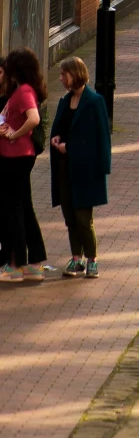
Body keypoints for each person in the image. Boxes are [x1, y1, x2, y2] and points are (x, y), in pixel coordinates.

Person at [48, 56, 110, 279]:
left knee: (84, 218)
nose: (61, 78)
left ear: (76, 74)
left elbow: (100, 139)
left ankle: (92, 259)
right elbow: (60, 128)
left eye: (64, 74)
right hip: (65, 169)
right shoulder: (65, 102)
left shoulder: (94, 102)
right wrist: (56, 139)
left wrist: (70, 148)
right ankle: (76, 259)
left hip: (85, 170)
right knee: (70, 217)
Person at [0, 49, 46, 283]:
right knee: (24, 208)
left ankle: (17, 265)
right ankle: (35, 264)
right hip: (16, 156)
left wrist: (13, 135)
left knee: (14, 210)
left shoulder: (25, 91)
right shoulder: (17, 91)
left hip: (16, 157)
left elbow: (34, 118)